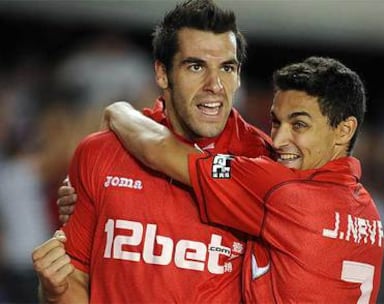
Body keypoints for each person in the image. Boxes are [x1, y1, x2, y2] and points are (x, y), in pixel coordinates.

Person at [31, 0, 274, 303]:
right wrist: (56, 292)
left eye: (227, 68)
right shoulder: (101, 152)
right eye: (196, 66)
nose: (215, 85)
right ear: (162, 73)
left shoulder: (267, 164)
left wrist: (117, 111)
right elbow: (74, 280)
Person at [97, 57, 384, 303]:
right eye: (276, 122)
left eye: (299, 125)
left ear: (345, 130)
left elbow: (159, 149)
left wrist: (119, 112)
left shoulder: (278, 188)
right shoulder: (369, 214)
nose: (278, 139)